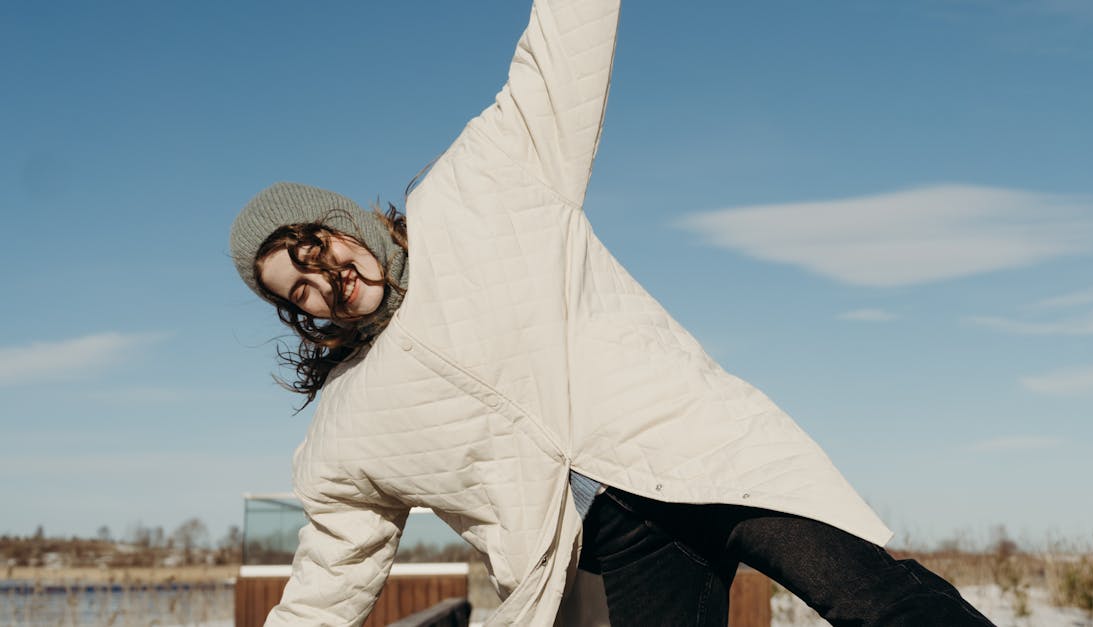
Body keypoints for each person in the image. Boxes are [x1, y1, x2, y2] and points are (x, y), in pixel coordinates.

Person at [229, 1, 995, 625]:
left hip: (702, 455)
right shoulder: (348, 425)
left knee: (875, 602)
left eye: (313, 251)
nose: (323, 281)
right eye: (296, 290)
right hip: (622, 545)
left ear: (341, 222)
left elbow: (563, 44)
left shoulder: (480, 186)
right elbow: (329, 575)